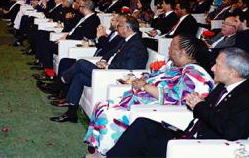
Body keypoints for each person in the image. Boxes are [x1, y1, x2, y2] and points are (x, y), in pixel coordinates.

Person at [104, 47, 249, 158]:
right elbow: (204, 110)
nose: (212, 68)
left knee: (139, 143)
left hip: (199, 146)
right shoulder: (223, 87)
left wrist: (200, 106)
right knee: (142, 124)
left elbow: (231, 132)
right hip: (186, 135)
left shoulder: (244, 96)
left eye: (217, 65)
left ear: (233, 72)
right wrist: (194, 103)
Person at [84, 34, 213, 157]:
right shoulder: (176, 65)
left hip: (156, 108)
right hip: (142, 99)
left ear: (182, 52)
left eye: (172, 46)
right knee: (101, 104)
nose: (168, 48)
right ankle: (98, 149)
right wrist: (145, 79)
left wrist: (145, 86)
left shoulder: (194, 73)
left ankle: (106, 152)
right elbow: (158, 77)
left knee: (108, 113)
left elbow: (175, 97)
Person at [49, 15, 148, 123]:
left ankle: (60, 82)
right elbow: (110, 53)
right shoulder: (127, 40)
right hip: (106, 72)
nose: (116, 27)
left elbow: (129, 67)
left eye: (119, 25)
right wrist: (104, 61)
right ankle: (71, 113)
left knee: (81, 63)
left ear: (128, 28)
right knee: (79, 77)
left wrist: (107, 66)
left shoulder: (136, 45)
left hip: (116, 76)